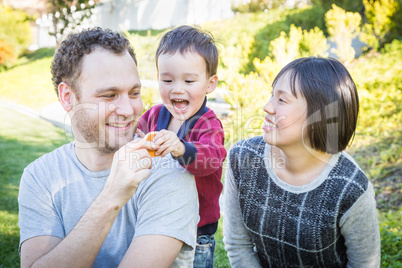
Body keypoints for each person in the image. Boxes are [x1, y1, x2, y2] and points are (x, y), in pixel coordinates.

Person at [18, 27, 199, 268]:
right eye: (109, 95)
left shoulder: (168, 173)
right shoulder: (40, 176)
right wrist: (112, 197)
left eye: (134, 93)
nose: (128, 110)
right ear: (67, 97)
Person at [223, 57, 381, 267]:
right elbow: (238, 245)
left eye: (282, 100)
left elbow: (364, 263)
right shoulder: (242, 158)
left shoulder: (350, 188)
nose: (267, 107)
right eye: (272, 96)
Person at [137, 25, 226, 268]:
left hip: (196, 232)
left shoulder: (209, 124)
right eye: (167, 80)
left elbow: (212, 158)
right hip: (158, 220)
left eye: (189, 80)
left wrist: (181, 148)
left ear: (210, 83)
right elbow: (137, 139)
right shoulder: (154, 115)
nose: (177, 88)